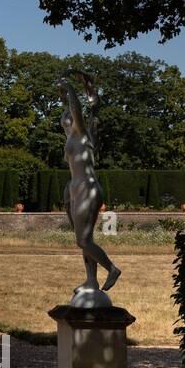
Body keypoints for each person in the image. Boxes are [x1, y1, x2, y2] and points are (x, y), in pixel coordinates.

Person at [59, 72, 120, 295]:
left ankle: (112, 268)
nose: (67, 113)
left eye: (69, 113)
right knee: (85, 239)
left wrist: (69, 90)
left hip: (87, 189)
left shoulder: (81, 134)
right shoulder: (69, 137)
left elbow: (75, 108)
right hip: (75, 189)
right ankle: (91, 281)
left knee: (83, 240)